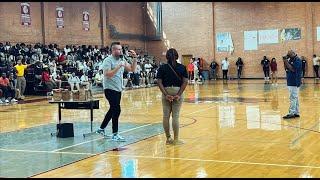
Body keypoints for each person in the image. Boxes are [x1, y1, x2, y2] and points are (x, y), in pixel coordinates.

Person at [96, 42, 137, 142]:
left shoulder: (122, 59)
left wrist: (135, 58)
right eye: (118, 49)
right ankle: (115, 134)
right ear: (113, 50)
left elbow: (132, 69)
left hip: (118, 89)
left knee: (112, 110)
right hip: (109, 89)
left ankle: (101, 129)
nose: (120, 51)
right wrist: (118, 66)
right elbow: (107, 74)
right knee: (117, 110)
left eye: (121, 49)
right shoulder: (108, 60)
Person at [156, 48, 188, 145]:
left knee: (166, 116)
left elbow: (159, 81)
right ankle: (176, 139)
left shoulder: (162, 68)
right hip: (177, 90)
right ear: (177, 56)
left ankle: (168, 138)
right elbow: (185, 81)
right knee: (175, 116)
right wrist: (178, 94)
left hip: (166, 90)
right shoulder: (182, 67)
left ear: (167, 57)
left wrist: (166, 94)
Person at [282, 50, 302, 119]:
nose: (288, 56)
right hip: (290, 81)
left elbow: (292, 69)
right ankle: (296, 112)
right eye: (288, 55)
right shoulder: (290, 59)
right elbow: (286, 68)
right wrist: (285, 61)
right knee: (295, 98)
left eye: (289, 55)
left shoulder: (297, 60)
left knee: (293, 98)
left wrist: (286, 60)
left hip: (294, 82)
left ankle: (291, 113)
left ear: (293, 53)